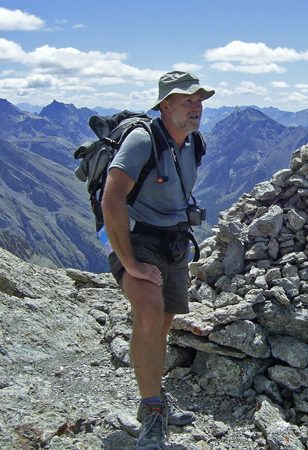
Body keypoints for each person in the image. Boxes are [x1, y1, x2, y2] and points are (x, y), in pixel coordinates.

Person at [101, 71, 214, 450]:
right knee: (148, 312)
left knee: (164, 322)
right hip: (137, 238)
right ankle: (152, 415)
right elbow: (111, 200)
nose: (196, 106)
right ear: (165, 104)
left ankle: (155, 399)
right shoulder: (140, 141)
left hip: (174, 241)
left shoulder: (192, 142)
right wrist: (130, 263)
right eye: (187, 100)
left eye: (199, 100)